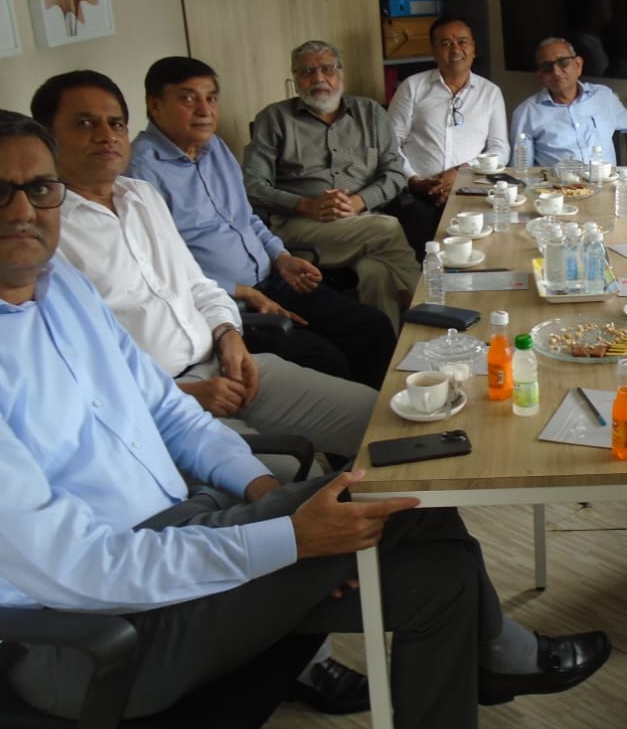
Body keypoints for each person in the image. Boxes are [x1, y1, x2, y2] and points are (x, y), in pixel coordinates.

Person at [0, 105, 611, 729]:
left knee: (432, 555)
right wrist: (289, 540)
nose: (23, 209)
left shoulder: (61, 287)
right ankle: (502, 658)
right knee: (394, 499)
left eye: (40, 188)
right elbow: (78, 569)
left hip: (185, 532)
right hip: (89, 636)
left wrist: (257, 492)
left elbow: (164, 410)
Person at [31, 71, 374, 478]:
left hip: (226, 366)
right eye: (85, 123)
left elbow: (199, 285)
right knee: (298, 482)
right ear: (46, 137)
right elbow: (75, 368)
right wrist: (183, 393)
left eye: (115, 123)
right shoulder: (44, 233)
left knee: (379, 420)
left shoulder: (141, 195)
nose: (106, 135)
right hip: (163, 403)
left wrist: (229, 336)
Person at [129, 56, 395, 389]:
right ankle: (355, 426)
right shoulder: (139, 175)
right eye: (187, 98)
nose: (204, 110)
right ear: (154, 106)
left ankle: (383, 414)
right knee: (325, 359)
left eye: (211, 98)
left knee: (371, 326)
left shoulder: (215, 149)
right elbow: (158, 271)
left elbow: (247, 218)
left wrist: (282, 257)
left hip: (272, 277)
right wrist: (239, 291)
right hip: (225, 305)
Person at [244, 40, 420, 334]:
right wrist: (305, 205)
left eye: (327, 69)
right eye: (307, 71)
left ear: (341, 74)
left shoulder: (370, 113)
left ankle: (388, 356)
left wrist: (359, 202)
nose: (318, 78)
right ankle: (431, 307)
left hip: (363, 220)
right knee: (387, 229)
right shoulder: (274, 119)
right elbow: (251, 186)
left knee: (375, 273)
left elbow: (395, 173)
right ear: (294, 78)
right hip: (302, 226)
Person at [387, 17, 509, 259]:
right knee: (426, 257)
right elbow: (390, 145)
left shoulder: (490, 93)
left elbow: (500, 149)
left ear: (473, 47)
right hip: (418, 193)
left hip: (472, 189)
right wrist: (415, 181)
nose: (456, 50)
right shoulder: (412, 87)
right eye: (445, 43)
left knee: (481, 254)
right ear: (433, 51)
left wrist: (462, 172)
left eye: (462, 42)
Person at [509, 37, 627, 168]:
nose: (556, 72)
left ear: (578, 65)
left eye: (563, 62)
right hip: (557, 188)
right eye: (547, 67)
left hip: (606, 185)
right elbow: (521, 170)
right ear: (540, 76)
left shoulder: (604, 96)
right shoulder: (526, 113)